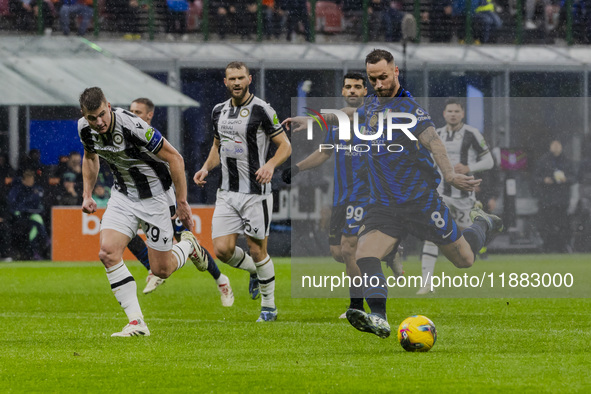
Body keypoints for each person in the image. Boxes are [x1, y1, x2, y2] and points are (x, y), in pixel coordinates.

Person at [285, 49, 503, 338]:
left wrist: (449, 174)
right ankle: (379, 316)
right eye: (373, 79)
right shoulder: (373, 103)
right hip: (384, 205)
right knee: (364, 254)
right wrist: (314, 121)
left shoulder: (411, 110)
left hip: (420, 203)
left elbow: (435, 142)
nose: (378, 84)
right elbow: (351, 113)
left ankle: (483, 224)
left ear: (396, 71)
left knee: (464, 260)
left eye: (384, 77)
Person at [78, 87, 209, 337]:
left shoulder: (132, 126)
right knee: (107, 252)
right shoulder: (84, 128)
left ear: (108, 104)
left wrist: (181, 202)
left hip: (157, 198)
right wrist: (87, 194)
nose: (99, 122)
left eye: (102, 114)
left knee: (162, 270)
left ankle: (188, 246)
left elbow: (175, 158)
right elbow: (90, 157)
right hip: (123, 196)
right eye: (92, 118)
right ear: (84, 115)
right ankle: (137, 323)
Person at [283, 72, 403, 319]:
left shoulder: (373, 113)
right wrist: (296, 168)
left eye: (357, 87)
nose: (352, 91)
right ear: (343, 91)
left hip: (367, 194)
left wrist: (311, 120)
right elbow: (324, 152)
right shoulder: (337, 123)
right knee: (338, 252)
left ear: (365, 92)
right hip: (341, 196)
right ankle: (388, 251)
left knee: (350, 250)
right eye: (348, 87)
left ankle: (358, 306)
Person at [193, 61, 292, 322]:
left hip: (255, 192)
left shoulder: (262, 109)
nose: (236, 83)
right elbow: (218, 146)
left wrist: (270, 165)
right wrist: (205, 168)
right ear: (225, 82)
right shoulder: (218, 111)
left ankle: (269, 307)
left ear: (249, 79)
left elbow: (285, 146)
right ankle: (254, 273)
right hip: (226, 192)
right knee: (222, 250)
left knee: (257, 250)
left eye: (241, 78)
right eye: (231, 79)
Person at [128, 97, 234, 306]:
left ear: (150, 115)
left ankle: (221, 280)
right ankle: (152, 268)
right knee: (126, 234)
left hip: (163, 199)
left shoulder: (154, 139)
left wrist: (180, 200)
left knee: (186, 241)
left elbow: (174, 165)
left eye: (138, 112)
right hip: (137, 200)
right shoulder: (128, 135)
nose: (133, 115)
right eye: (131, 111)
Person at [417, 98, 494, 295]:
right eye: (449, 111)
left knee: (468, 242)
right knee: (432, 236)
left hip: (464, 197)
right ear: (444, 114)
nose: (452, 114)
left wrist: (469, 168)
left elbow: (489, 161)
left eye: (456, 111)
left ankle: (483, 224)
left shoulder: (472, 134)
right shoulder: (436, 134)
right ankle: (426, 283)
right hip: (440, 194)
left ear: (462, 114)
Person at [534, 140, 575, 253]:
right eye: (554, 145)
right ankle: (548, 246)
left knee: (562, 224)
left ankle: (562, 246)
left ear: (562, 147)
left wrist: (565, 180)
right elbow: (536, 178)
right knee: (547, 224)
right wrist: (544, 180)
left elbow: (574, 178)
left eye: (558, 145)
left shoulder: (567, 161)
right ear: (550, 146)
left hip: (562, 200)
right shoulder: (543, 161)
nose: (556, 147)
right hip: (547, 200)